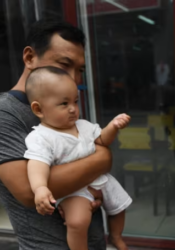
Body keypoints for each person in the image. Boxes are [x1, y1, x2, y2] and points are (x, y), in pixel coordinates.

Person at [0, 19, 110, 250]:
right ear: (30, 57)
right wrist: (100, 160)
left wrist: (88, 184)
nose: (74, 79)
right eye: (64, 64)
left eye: (79, 70)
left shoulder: (63, 104)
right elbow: (29, 192)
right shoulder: (6, 114)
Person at [24, 66, 132, 250]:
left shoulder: (83, 125)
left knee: (119, 206)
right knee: (77, 222)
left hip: (102, 180)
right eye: (64, 104)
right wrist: (40, 187)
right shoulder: (41, 137)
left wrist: (113, 127)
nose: (73, 109)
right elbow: (37, 164)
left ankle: (115, 236)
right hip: (74, 190)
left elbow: (102, 140)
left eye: (75, 101)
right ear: (39, 109)